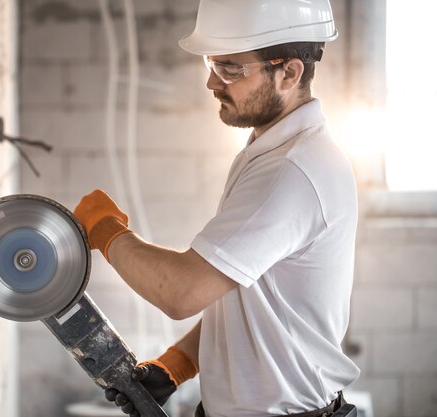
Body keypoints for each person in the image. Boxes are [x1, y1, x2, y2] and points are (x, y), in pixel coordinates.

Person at [73, 0, 360, 416]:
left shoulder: (291, 172)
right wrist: (180, 363)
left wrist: (106, 231)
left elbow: (182, 291)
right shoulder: (273, 152)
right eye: (211, 63)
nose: (212, 81)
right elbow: (252, 302)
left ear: (290, 73)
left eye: (230, 68)